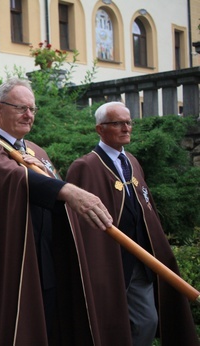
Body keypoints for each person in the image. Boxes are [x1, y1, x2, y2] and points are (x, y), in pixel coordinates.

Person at [0, 78, 113, 345]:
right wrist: (66, 189)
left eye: (32, 109)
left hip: (46, 260)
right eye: (21, 108)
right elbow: (6, 175)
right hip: (14, 263)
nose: (28, 115)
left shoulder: (36, 152)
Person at [66, 102, 199, 346]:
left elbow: (147, 210)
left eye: (128, 122)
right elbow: (77, 225)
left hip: (140, 261)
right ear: (100, 129)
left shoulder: (133, 162)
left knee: (147, 321)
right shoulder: (85, 166)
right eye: (118, 123)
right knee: (108, 327)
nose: (126, 128)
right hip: (107, 266)